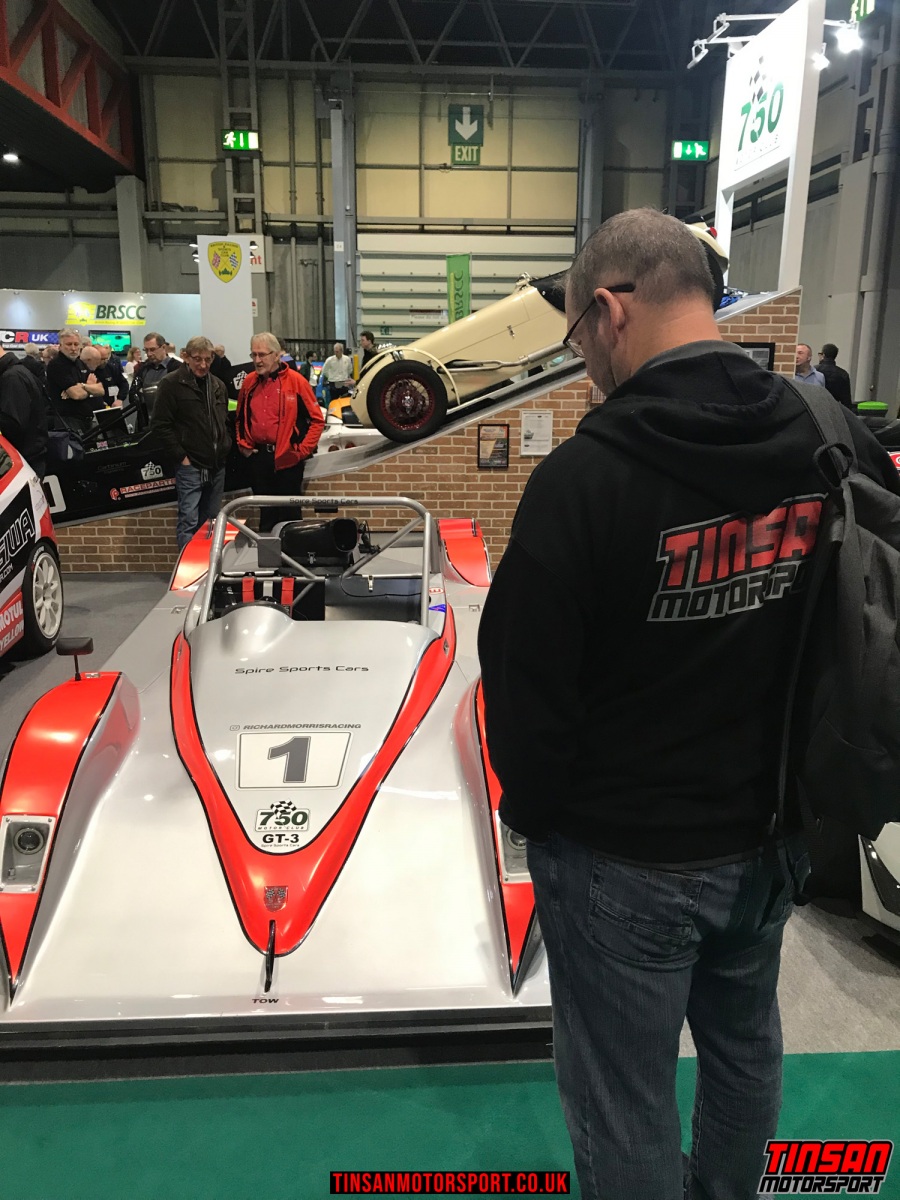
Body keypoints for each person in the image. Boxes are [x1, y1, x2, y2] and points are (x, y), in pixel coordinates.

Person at [477, 208, 900, 1200]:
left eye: (578, 335)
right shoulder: (822, 432)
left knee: (625, 1098)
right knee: (745, 1055)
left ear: (611, 310)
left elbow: (523, 683)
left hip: (623, 852)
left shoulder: (584, 478)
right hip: (773, 830)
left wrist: (541, 818)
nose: (583, 358)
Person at [235, 331, 325, 532]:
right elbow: (240, 417)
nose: (257, 360)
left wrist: (301, 451)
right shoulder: (249, 382)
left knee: (290, 517)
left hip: (288, 460)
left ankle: (291, 552)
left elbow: (317, 420)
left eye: (262, 355)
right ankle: (268, 552)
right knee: (266, 515)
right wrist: (243, 445)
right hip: (259, 459)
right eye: (253, 355)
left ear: (276, 355)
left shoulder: (296, 381)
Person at [150, 335, 231, 549]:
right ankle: (188, 568)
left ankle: (209, 565)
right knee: (189, 521)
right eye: (197, 359)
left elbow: (224, 421)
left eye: (207, 359)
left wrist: (225, 446)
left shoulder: (218, 385)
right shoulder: (171, 384)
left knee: (212, 520)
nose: (203, 365)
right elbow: (160, 425)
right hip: (190, 465)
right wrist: (181, 457)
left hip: (217, 464)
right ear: (186, 357)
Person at [0, 345, 48, 477]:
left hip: (23, 463)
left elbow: (13, 425)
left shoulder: (11, 377)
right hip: (26, 459)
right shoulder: (16, 372)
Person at [46, 328, 104, 434]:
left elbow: (101, 390)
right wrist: (89, 387)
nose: (73, 348)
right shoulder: (57, 365)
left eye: (76, 344)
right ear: (61, 346)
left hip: (86, 421)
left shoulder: (80, 363)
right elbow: (76, 394)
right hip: (67, 422)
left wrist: (83, 386)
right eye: (69, 344)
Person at [133, 332, 180, 425]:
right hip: (146, 423)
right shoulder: (143, 369)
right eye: (146, 350)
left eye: (152, 349)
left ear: (163, 347)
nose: (149, 354)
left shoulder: (177, 368)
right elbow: (133, 393)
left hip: (171, 423)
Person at [817, 343, 853, 410]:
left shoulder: (815, 371)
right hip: (834, 409)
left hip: (816, 408)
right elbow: (846, 401)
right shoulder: (843, 374)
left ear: (823, 355)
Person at [320, 341, 353, 405]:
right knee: (334, 401)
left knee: (344, 401)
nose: (336, 353)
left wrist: (345, 376)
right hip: (333, 383)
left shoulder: (347, 359)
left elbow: (350, 370)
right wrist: (331, 377)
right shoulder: (330, 360)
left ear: (341, 351)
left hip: (344, 383)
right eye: (335, 351)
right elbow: (324, 370)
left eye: (337, 351)